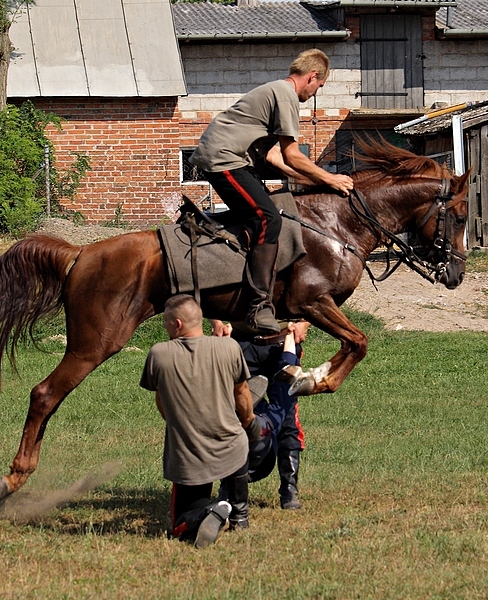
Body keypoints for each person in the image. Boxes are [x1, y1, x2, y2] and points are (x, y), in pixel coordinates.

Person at [190, 49, 354, 335]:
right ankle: (257, 305)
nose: (316, 93)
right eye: (320, 86)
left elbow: (274, 158)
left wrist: (313, 181)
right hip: (223, 158)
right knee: (268, 219)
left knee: (266, 210)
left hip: (229, 156)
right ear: (313, 76)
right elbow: (292, 155)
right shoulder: (286, 95)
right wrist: (330, 179)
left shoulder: (274, 92)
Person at [139, 294, 260, 548]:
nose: (165, 328)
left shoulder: (159, 354)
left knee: (180, 527)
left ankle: (209, 510)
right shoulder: (230, 347)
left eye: (166, 324)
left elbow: (162, 402)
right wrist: (249, 424)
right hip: (232, 451)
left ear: (177, 324)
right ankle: (240, 515)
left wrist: (178, 424)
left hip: (190, 456)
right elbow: (242, 394)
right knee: (238, 441)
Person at [212, 319, 310, 510]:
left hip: (280, 342)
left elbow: (316, 295)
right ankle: (228, 487)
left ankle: (289, 488)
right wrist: (216, 321)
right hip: (241, 342)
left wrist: (304, 323)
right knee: (237, 417)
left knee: (287, 416)